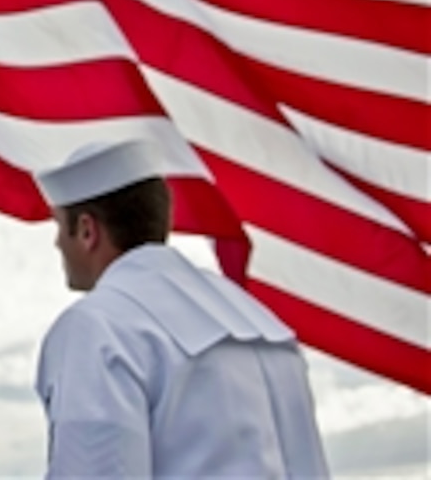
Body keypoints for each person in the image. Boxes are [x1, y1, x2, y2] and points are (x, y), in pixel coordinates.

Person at [32, 140, 328, 478]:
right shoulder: (260, 321)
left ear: (87, 230)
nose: (57, 243)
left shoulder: (97, 327)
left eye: (59, 227)